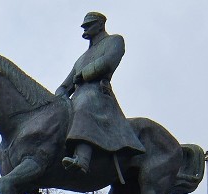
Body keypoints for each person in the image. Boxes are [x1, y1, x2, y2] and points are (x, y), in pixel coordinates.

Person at [55, 12, 144, 175]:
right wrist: (59, 96)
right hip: (79, 95)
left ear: (101, 25)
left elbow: (109, 62)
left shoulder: (115, 40)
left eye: (89, 25)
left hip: (97, 93)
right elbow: (65, 85)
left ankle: (82, 159)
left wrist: (83, 74)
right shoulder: (81, 58)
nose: (85, 28)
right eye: (84, 26)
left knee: (83, 104)